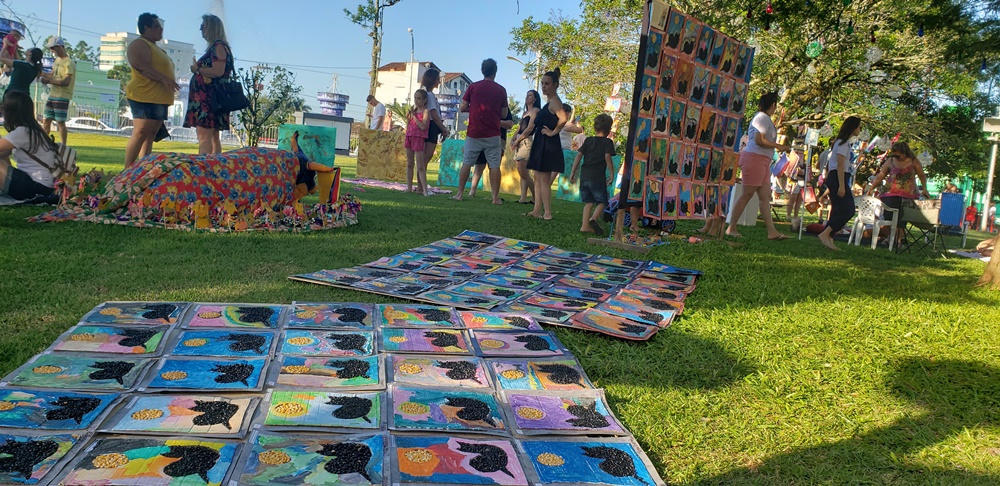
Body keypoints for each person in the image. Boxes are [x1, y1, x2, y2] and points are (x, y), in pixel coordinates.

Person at [725, 92, 790, 240]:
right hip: (754, 158)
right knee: (747, 194)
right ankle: (731, 227)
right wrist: (778, 146)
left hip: (763, 160)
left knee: (765, 196)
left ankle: (772, 232)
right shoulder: (762, 118)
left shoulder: (765, 119)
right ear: (772, 105)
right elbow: (759, 140)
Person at [124, 13, 179, 167]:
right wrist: (164, 78)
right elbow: (140, 65)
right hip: (145, 95)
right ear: (146, 28)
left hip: (159, 98)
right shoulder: (140, 44)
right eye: (156, 26)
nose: (161, 29)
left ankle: (142, 169)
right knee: (141, 132)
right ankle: (127, 171)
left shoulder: (156, 48)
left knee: (150, 135)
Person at [452, 59, 508, 204]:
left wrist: (474, 108)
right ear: (495, 72)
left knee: (467, 163)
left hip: (474, 133)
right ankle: (495, 198)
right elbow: (504, 114)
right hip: (493, 134)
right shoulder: (501, 90)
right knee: (494, 165)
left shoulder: (473, 87)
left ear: (482, 71)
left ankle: (459, 194)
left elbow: (463, 107)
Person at [184, 14, 233, 155]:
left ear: (211, 28)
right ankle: (215, 166)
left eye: (203, 26)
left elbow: (218, 71)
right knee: (213, 137)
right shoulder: (218, 47)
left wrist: (197, 70)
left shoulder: (218, 46)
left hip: (209, 101)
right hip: (211, 100)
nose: (200, 30)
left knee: (204, 136)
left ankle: (204, 166)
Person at [525, 68, 568, 220]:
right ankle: (537, 210)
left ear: (555, 85)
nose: (543, 86)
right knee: (537, 177)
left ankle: (547, 212)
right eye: (542, 83)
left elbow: (563, 119)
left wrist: (553, 132)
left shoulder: (555, 101)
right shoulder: (549, 102)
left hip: (548, 144)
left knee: (543, 179)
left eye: (547, 84)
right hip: (541, 142)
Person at [0, 92, 59, 202]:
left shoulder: (22, 132)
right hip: (44, 187)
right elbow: (5, 153)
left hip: (35, 187)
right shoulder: (34, 131)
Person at [816, 116, 863, 250]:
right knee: (849, 209)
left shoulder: (843, 143)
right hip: (838, 177)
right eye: (859, 127)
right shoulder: (843, 144)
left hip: (837, 176)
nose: (860, 130)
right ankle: (826, 233)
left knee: (837, 209)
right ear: (853, 127)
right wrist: (842, 186)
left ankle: (829, 237)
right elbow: (840, 165)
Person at [569, 113, 615, 236]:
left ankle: (584, 226)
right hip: (597, 177)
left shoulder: (588, 140)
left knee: (588, 202)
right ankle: (593, 218)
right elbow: (607, 157)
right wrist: (611, 173)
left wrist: (573, 172)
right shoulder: (607, 142)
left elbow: (579, 155)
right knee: (602, 201)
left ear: (595, 128)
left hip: (585, 176)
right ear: (609, 130)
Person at [467, 107, 514, 198]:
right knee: (479, 165)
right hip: (481, 138)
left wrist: (494, 122)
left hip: (498, 139)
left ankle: (494, 195)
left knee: (494, 166)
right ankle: (472, 191)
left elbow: (510, 124)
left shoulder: (503, 108)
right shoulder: (483, 107)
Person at [40, 37, 76, 146]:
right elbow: (52, 75)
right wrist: (41, 73)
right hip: (52, 94)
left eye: (53, 48)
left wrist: (49, 81)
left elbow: (66, 82)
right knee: (46, 120)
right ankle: (44, 143)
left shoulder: (69, 62)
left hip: (62, 96)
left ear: (60, 47)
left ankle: (63, 145)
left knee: (60, 121)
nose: (52, 50)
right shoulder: (57, 60)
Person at [419, 68, 450, 194]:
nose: (438, 81)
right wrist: (443, 128)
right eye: (437, 79)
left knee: (425, 158)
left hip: (432, 126)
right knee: (426, 157)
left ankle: (421, 186)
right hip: (431, 126)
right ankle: (421, 187)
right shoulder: (430, 95)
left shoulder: (429, 94)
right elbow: (434, 113)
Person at [509, 89, 540, 204]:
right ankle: (523, 198)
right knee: (522, 172)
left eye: (530, 96)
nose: (527, 97)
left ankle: (537, 196)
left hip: (526, 141)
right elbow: (519, 128)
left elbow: (530, 128)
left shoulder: (535, 111)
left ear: (535, 99)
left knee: (523, 171)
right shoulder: (525, 113)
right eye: (527, 95)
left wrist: (518, 140)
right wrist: (513, 138)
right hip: (519, 141)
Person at [289, 130, 337, 202]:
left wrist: (294, 138)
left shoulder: (300, 157)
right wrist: (329, 169)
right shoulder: (306, 164)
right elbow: (315, 166)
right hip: (300, 173)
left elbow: (295, 147)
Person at [404, 89, 430, 194]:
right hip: (409, 136)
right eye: (415, 98)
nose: (416, 100)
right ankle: (409, 188)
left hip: (419, 138)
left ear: (424, 100)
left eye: (419, 98)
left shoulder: (425, 111)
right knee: (410, 163)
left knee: (420, 166)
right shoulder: (413, 111)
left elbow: (423, 126)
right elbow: (408, 124)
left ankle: (424, 190)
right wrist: (409, 117)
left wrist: (414, 117)